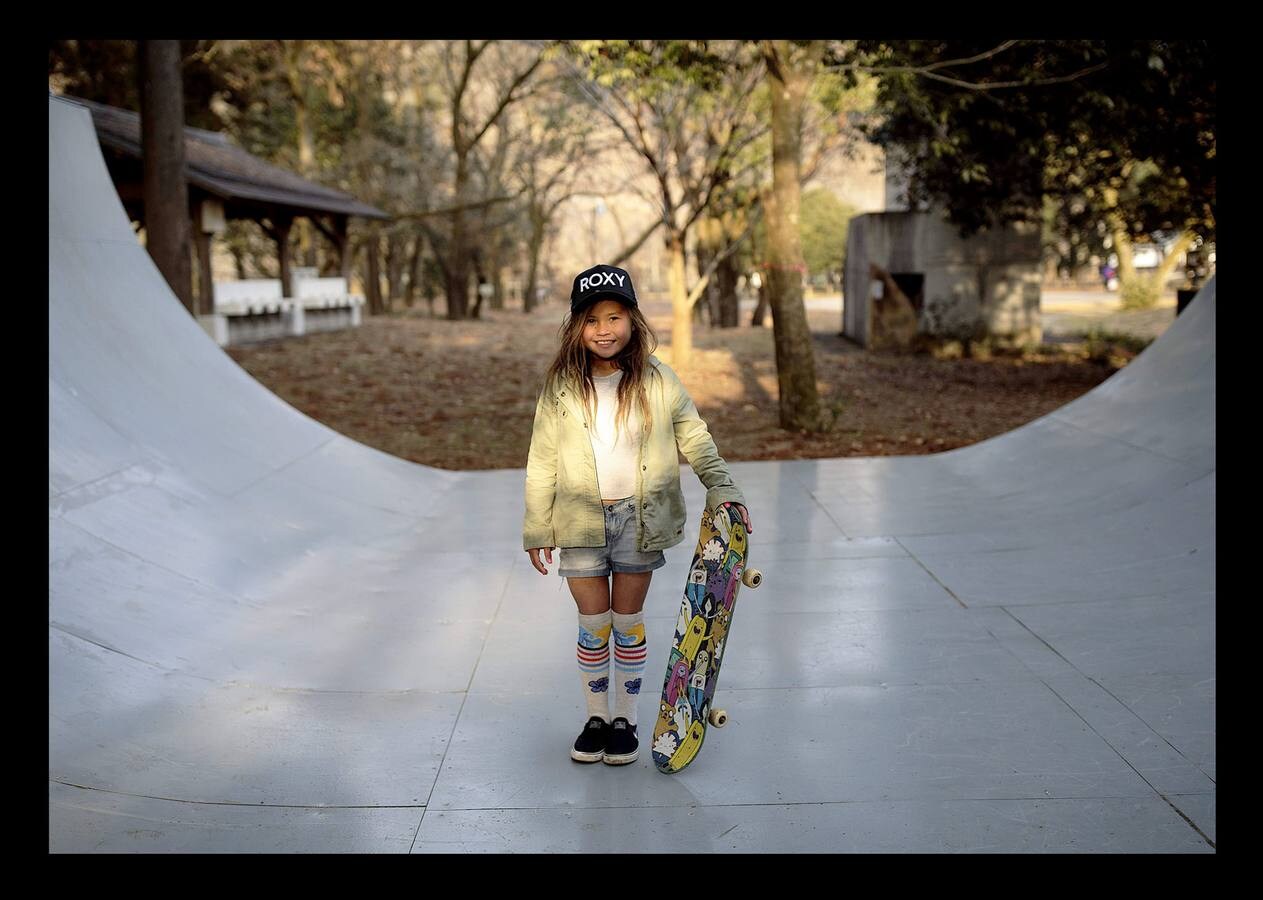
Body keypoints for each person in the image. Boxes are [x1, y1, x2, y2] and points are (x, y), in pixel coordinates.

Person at [523, 263, 752, 766]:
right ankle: (595, 717)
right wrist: (538, 525)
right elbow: (542, 458)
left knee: (627, 622)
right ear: (575, 326)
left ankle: (624, 717)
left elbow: (695, 436)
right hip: (579, 519)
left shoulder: (657, 378)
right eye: (591, 320)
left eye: (614, 317)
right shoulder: (561, 384)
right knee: (593, 623)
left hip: (639, 520)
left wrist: (724, 487)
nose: (604, 330)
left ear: (632, 320)